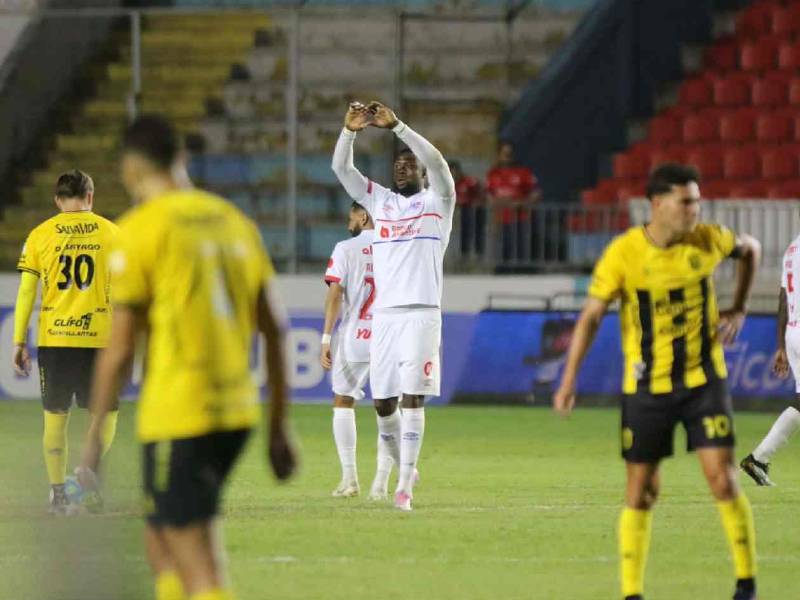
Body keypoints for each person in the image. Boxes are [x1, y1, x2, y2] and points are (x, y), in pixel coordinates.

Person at [78, 115, 296, 600]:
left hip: (181, 414)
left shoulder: (141, 229)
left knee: (199, 565)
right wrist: (279, 426)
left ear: (130, 169)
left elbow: (120, 350)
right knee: (159, 538)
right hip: (236, 414)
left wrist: (92, 442)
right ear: (181, 158)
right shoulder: (234, 222)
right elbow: (275, 330)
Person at [553, 164, 760, 600]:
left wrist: (739, 306)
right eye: (686, 202)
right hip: (647, 388)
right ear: (657, 204)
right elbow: (591, 317)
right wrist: (568, 380)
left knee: (722, 478)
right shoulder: (624, 253)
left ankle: (746, 585)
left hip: (704, 381)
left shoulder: (708, 238)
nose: (694, 209)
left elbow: (751, 249)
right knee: (642, 491)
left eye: (697, 201)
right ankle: (632, 593)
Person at [331, 101, 455, 511]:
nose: (402, 169)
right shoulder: (380, 203)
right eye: (398, 165)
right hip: (384, 318)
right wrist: (349, 133)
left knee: (411, 397)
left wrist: (398, 127)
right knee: (383, 404)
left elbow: (438, 161)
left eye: (409, 165)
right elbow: (341, 170)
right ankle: (406, 466)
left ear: (422, 173)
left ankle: (404, 488)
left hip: (421, 313)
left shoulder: (439, 202)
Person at [12, 169, 119, 514]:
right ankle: (86, 476)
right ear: (90, 196)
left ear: (57, 200)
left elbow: (27, 292)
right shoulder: (113, 234)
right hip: (100, 339)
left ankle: (58, 494)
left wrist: (18, 341)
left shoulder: (40, 235)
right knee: (104, 415)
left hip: (55, 339)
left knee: (55, 418)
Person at [321, 202, 398, 500]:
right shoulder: (396, 247)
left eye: (351, 216)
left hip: (354, 337)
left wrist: (325, 338)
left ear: (363, 216)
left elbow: (334, 295)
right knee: (389, 406)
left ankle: (349, 479)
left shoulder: (345, 248)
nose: (348, 222)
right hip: (388, 338)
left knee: (343, 401)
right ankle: (380, 484)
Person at [740, 233, 800, 486]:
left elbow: (783, 297)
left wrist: (781, 345)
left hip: (793, 332)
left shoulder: (792, 249)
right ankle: (758, 458)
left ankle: (758, 458)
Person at [485, 141, 539, 263]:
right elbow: (488, 195)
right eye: (504, 154)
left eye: (509, 154)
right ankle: (502, 270)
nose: (507, 157)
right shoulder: (493, 173)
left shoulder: (523, 172)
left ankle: (521, 270)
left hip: (521, 219)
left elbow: (536, 193)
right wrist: (497, 204)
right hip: (500, 219)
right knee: (503, 250)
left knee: (521, 249)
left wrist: (522, 204)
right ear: (499, 155)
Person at [449, 160, 484, 257]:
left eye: (455, 171)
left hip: (473, 212)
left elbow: (481, 192)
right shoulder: (447, 185)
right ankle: (463, 254)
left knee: (475, 232)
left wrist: (478, 201)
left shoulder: (470, 181)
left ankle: (477, 252)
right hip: (457, 214)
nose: (454, 174)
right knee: (462, 234)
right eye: (451, 172)